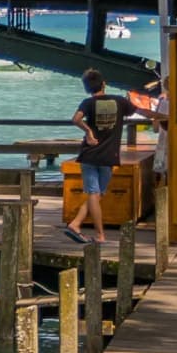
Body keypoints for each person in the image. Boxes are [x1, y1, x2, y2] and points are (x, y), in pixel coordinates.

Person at [66, 69, 131, 244]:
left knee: (96, 194)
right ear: (104, 84)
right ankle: (100, 234)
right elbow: (143, 112)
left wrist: (88, 131)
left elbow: (76, 119)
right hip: (108, 156)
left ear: (87, 88)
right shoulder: (119, 101)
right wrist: (163, 115)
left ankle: (75, 223)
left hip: (89, 155)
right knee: (96, 194)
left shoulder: (88, 103)